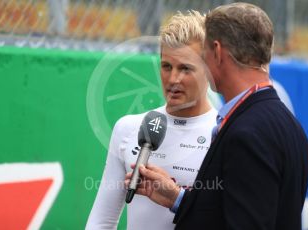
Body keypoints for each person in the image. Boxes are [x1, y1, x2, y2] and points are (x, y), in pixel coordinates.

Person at [126, 3, 308, 229]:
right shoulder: (288, 125)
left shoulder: (247, 134)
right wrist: (178, 199)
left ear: (217, 51)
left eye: (202, 52)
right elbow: (235, 212)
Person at [86, 11, 218, 230]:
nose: (174, 79)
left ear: (209, 69)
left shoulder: (225, 132)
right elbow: (102, 221)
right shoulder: (128, 128)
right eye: (167, 66)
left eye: (185, 68)